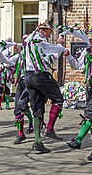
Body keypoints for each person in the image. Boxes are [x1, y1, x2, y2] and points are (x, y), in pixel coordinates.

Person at [63, 26, 92, 160]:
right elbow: (78, 66)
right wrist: (69, 57)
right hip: (91, 84)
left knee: (90, 111)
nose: (90, 41)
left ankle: (78, 140)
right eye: (89, 39)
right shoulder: (87, 50)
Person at [23, 20, 66, 153]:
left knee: (37, 107)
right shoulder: (39, 41)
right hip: (40, 75)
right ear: (44, 30)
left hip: (28, 76)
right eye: (49, 32)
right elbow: (51, 51)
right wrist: (60, 45)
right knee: (58, 99)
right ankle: (49, 129)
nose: (49, 35)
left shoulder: (29, 39)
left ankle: (38, 141)